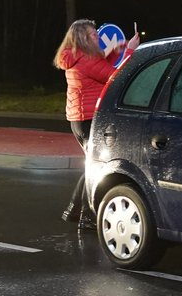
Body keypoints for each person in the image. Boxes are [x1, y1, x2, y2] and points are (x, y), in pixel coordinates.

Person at [53, 19, 139, 227]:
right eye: (93, 35)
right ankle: (87, 216)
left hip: (80, 119)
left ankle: (74, 210)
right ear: (82, 38)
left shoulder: (75, 57)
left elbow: (102, 70)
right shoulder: (86, 59)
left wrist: (116, 52)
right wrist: (128, 51)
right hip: (90, 119)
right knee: (96, 167)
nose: (98, 37)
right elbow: (115, 77)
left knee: (92, 164)